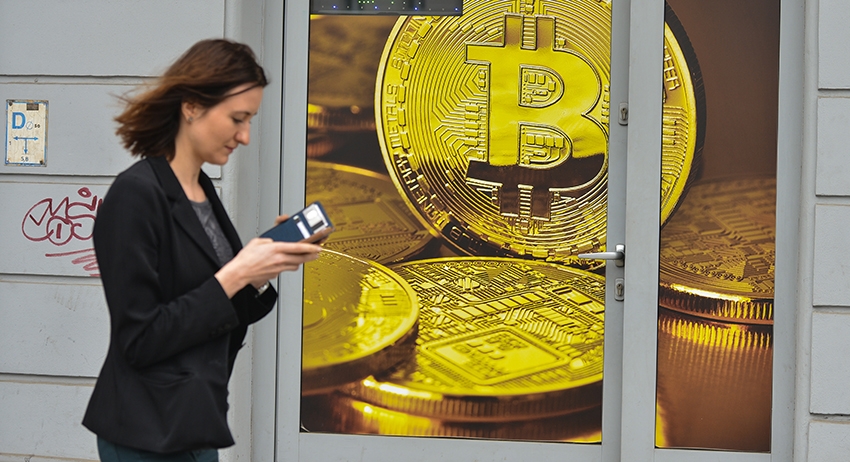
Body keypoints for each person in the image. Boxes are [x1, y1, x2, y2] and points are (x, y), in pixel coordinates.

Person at [82, 39, 322, 461]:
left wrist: (261, 271)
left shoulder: (202, 190)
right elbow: (139, 339)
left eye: (250, 121)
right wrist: (236, 272)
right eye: (237, 119)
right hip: (145, 432)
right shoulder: (135, 194)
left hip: (193, 423)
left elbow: (214, 311)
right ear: (191, 106)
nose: (245, 136)